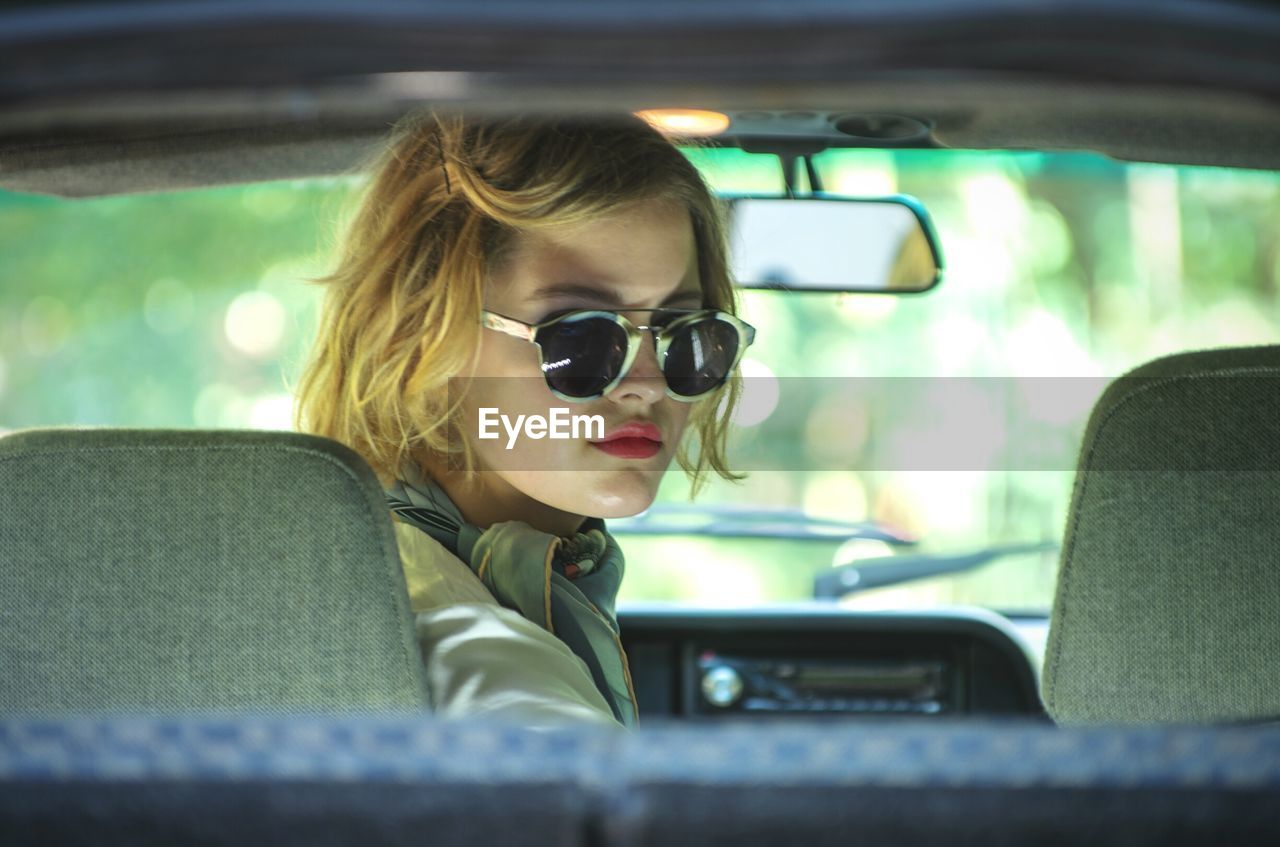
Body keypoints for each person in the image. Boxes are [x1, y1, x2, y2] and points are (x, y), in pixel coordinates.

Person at [294, 113, 755, 727]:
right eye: (581, 338)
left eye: (687, 335)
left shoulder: (360, 558)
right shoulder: (456, 644)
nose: (647, 384)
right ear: (420, 336)